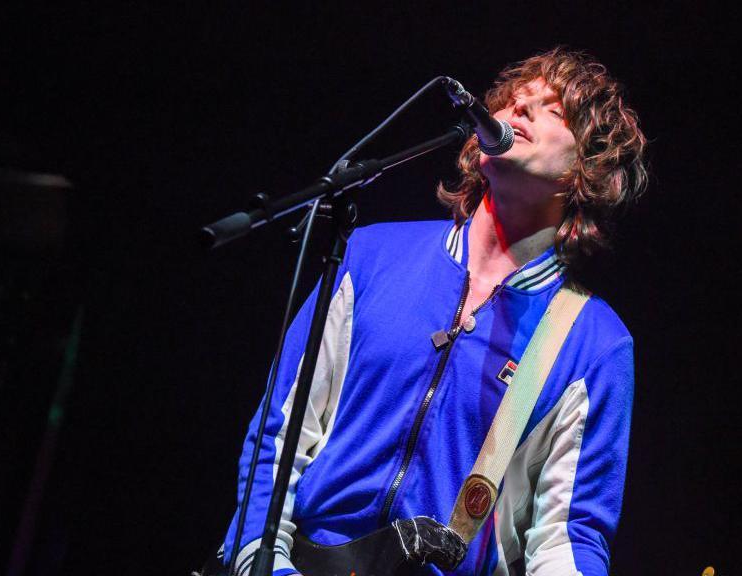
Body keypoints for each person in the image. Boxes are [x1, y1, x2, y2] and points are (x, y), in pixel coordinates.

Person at [220, 46, 648, 576]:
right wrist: (261, 561)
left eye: (553, 109)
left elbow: (565, 539)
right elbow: (279, 432)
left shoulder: (592, 343)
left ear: (591, 169)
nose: (521, 109)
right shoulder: (370, 257)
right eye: (516, 99)